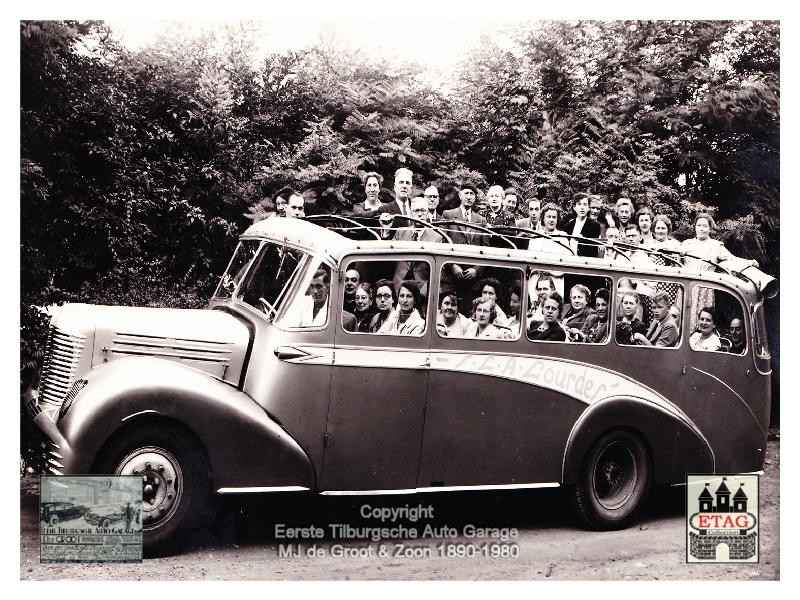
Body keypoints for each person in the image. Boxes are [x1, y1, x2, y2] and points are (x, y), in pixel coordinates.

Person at [682, 212, 758, 271]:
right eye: (698, 225)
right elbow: (677, 264)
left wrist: (750, 262)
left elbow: (732, 259)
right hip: (685, 285)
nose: (701, 229)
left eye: (705, 226)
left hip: (705, 286)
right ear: (695, 227)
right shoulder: (686, 244)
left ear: (710, 228)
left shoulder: (716, 246)